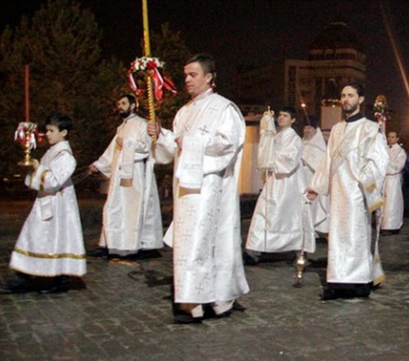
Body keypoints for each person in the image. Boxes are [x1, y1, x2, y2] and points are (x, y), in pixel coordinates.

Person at [149, 53, 248, 323]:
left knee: (204, 242)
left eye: (193, 74)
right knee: (189, 243)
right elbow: (171, 152)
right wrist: (161, 136)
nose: (187, 80)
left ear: (209, 76)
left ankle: (204, 300)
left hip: (209, 187)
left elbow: (227, 144)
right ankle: (194, 299)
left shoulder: (224, 108)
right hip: (185, 189)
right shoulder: (184, 111)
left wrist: (187, 141)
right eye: (185, 76)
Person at [306, 83, 389, 300]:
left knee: (356, 236)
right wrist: (317, 185)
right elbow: (328, 160)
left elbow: (380, 160)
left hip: (357, 192)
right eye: (343, 95)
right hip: (338, 192)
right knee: (338, 238)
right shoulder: (336, 129)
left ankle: (359, 282)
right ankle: (336, 281)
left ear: (361, 99)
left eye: (350, 95)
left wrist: (364, 181)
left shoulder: (371, 128)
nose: (346, 99)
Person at [5, 114, 86, 294]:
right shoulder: (52, 152)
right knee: (33, 236)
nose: (47, 134)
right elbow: (41, 177)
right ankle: (27, 274)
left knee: (56, 238)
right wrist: (33, 172)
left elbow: (54, 181)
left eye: (51, 131)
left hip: (59, 205)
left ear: (63, 133)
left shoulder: (66, 156)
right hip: (44, 201)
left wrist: (37, 169)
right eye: (47, 130)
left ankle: (59, 278)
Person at [88, 94, 163, 260]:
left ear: (133, 105)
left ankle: (131, 246)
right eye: (118, 103)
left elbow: (145, 148)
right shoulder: (121, 127)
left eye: (123, 103)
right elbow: (112, 151)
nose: (120, 106)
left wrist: (126, 143)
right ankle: (110, 243)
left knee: (131, 210)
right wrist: (99, 164)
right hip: (118, 176)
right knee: (114, 207)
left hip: (135, 175)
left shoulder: (142, 124)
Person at [245, 106, 310, 263]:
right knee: (264, 212)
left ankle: (294, 248)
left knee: (286, 215)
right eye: (280, 115)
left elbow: (290, 159)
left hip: (287, 183)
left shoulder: (294, 138)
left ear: (292, 120)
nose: (281, 118)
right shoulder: (278, 135)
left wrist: (271, 159)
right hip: (274, 180)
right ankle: (255, 249)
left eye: (285, 115)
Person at [301, 121, 328, 235]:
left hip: (313, 178)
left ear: (315, 130)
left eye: (310, 127)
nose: (307, 130)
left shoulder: (319, 146)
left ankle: (313, 231)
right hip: (301, 177)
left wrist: (305, 158)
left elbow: (320, 164)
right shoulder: (300, 142)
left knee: (312, 205)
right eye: (305, 127)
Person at [381, 131, 407, 233]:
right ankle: (383, 224)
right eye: (389, 137)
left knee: (392, 203)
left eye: (393, 137)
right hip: (384, 180)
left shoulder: (400, 151)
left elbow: (397, 166)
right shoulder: (384, 149)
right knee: (383, 203)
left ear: (397, 139)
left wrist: (386, 165)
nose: (390, 139)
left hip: (393, 180)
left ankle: (393, 225)